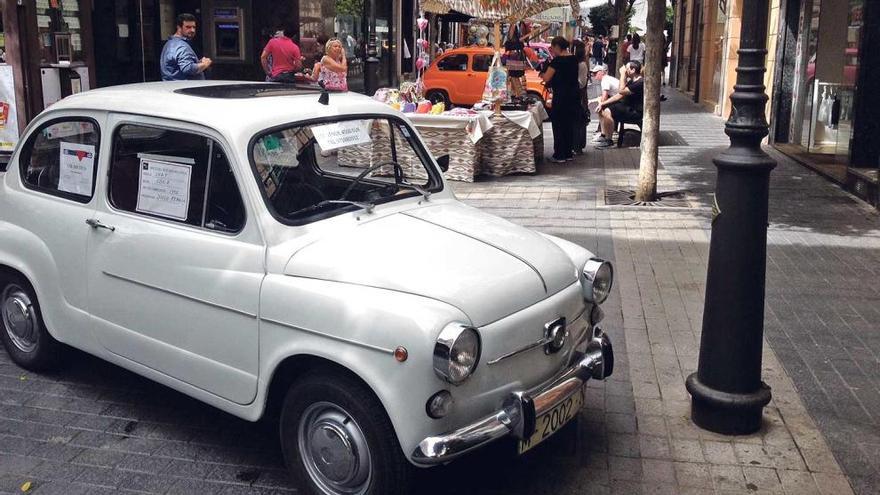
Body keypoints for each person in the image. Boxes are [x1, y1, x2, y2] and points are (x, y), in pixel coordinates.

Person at [541, 36, 579, 162]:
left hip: (561, 96)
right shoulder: (574, 59)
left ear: (557, 47)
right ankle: (568, 153)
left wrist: (542, 72)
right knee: (569, 124)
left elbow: (546, 78)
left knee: (558, 125)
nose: (552, 51)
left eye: (552, 48)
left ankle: (559, 154)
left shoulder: (557, 62)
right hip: (573, 96)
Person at [596, 60, 644, 149]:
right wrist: (603, 103)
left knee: (607, 111)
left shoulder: (639, 83)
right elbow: (619, 95)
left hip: (635, 111)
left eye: (627, 68)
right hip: (629, 107)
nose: (625, 70)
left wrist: (622, 75)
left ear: (633, 70)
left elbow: (621, 90)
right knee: (605, 108)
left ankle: (608, 140)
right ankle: (606, 136)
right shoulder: (633, 81)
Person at [160, 13, 211, 81]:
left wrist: (198, 62)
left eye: (194, 27)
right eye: (188, 27)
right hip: (184, 88)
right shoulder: (181, 46)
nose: (192, 30)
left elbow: (179, 65)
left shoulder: (170, 43)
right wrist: (205, 64)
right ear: (179, 27)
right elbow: (188, 69)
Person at [588, 64, 620, 146]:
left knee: (605, 112)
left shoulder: (605, 80)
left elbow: (604, 97)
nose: (593, 75)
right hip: (618, 100)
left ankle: (609, 139)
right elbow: (602, 97)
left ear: (602, 72)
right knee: (601, 109)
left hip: (623, 102)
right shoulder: (607, 79)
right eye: (593, 73)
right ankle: (603, 134)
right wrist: (593, 101)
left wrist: (600, 104)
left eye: (595, 73)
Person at [571, 39, 590, 155]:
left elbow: (581, 83)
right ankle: (576, 145)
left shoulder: (581, 65)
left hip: (579, 97)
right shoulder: (578, 63)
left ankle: (577, 146)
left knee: (578, 122)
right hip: (577, 96)